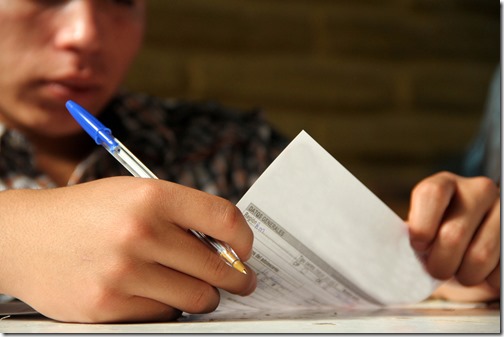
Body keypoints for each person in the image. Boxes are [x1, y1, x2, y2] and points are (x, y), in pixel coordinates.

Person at [0, 0, 499, 323]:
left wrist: (441, 256)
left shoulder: (228, 144)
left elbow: (362, 267)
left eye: (121, 0)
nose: (85, 34)